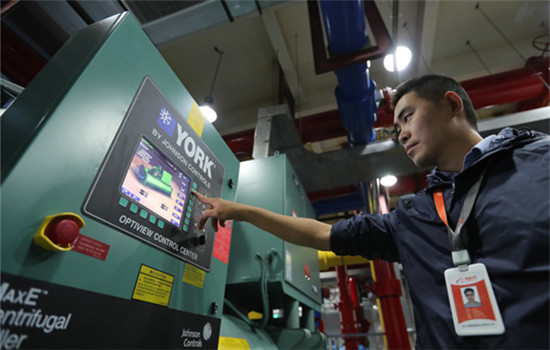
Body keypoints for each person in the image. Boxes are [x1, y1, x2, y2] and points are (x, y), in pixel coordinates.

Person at [193, 74, 549, 348]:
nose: (403, 134)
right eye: (397, 129)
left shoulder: (539, 163)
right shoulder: (414, 214)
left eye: (408, 117)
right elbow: (321, 234)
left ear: (452, 104)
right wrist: (239, 210)